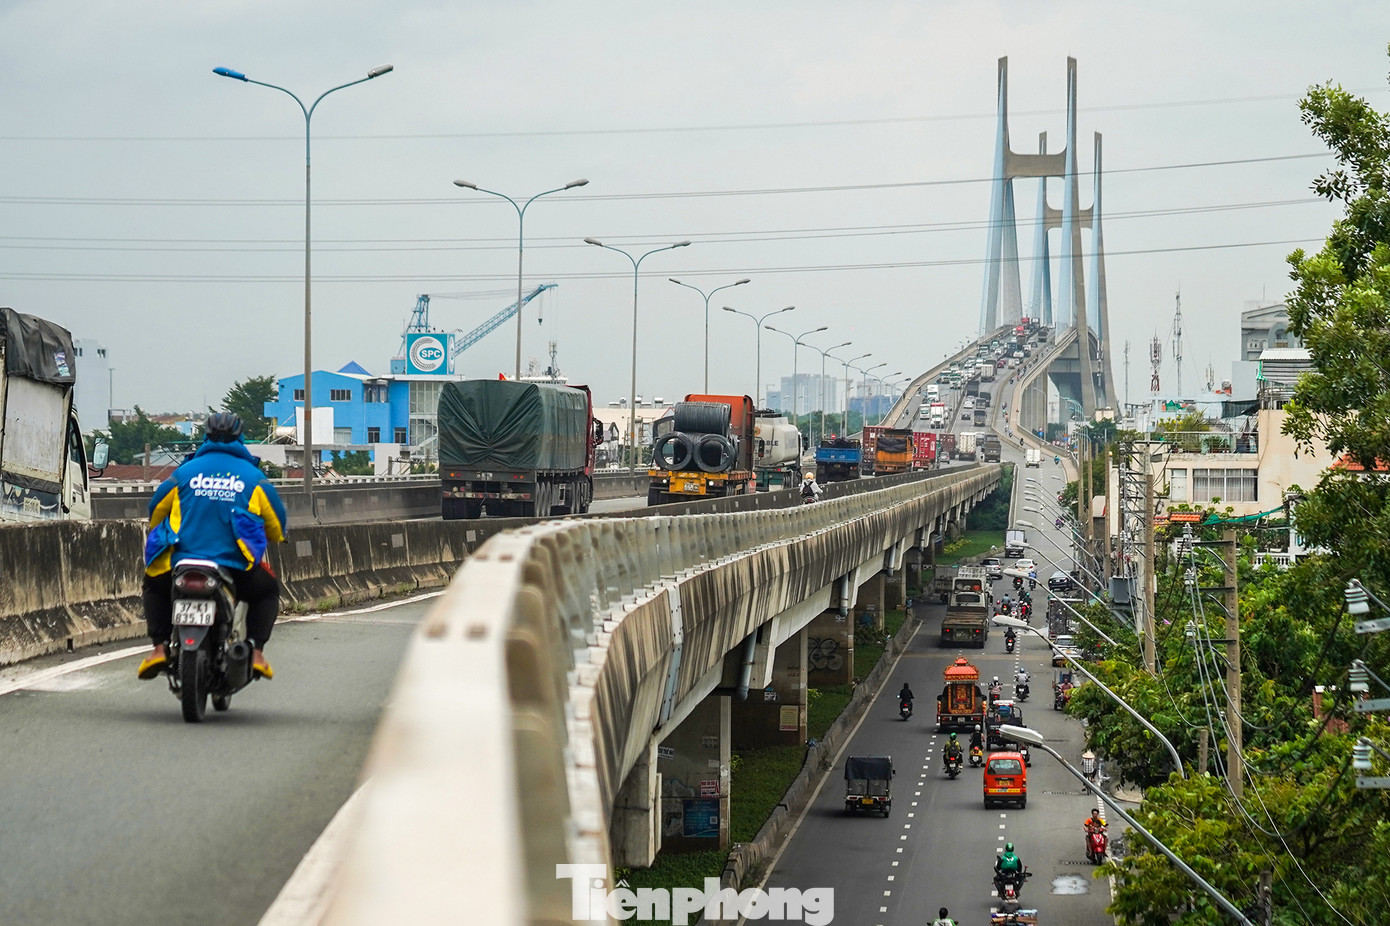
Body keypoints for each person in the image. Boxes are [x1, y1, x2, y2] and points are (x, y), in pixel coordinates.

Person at [137, 412, 288, 681]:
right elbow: (277, 526)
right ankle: (256, 653)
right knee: (267, 592)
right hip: (233, 565)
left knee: (153, 583)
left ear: (206, 436)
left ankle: (159, 648)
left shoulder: (184, 473)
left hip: (182, 562)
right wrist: (271, 535)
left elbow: (156, 512)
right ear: (240, 438)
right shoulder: (254, 478)